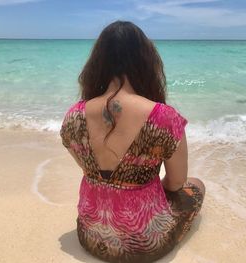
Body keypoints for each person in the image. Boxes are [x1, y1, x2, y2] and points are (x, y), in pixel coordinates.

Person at [60, 20, 205, 263]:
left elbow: (87, 169)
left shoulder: (74, 115)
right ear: (146, 62)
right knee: (196, 185)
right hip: (144, 245)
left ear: (97, 63)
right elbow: (176, 183)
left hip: (91, 236)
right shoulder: (163, 117)